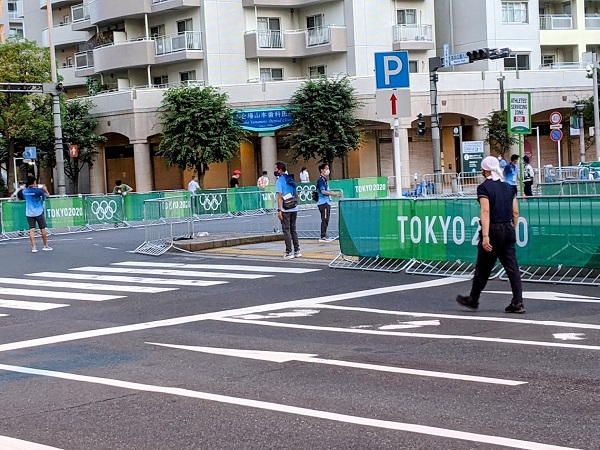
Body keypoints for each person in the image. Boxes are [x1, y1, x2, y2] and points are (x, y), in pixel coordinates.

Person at [456, 156, 525, 314]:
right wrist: (511, 227)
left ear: (485, 169)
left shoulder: (484, 188)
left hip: (493, 230)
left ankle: (473, 299)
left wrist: (486, 236)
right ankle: (518, 302)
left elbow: (485, 211)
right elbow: (515, 211)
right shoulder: (509, 187)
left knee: (483, 267)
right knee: (512, 268)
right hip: (508, 228)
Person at [274, 161, 300, 259]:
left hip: (285, 208)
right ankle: (297, 250)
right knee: (293, 229)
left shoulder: (279, 181)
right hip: (294, 207)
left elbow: (280, 196)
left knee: (286, 230)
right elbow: (296, 194)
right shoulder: (291, 178)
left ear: (280, 170)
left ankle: (289, 252)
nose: (275, 171)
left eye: (276, 169)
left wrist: (279, 210)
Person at [22, 176, 52, 253]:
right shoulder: (38, 191)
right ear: (34, 182)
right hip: (38, 212)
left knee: (31, 230)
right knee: (42, 228)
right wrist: (45, 190)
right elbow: (48, 196)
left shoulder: (25, 191)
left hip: (29, 213)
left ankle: (34, 247)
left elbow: (22, 194)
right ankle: (45, 245)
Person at [316, 163, 342, 242]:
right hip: (323, 202)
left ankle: (324, 235)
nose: (328, 170)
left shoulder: (324, 180)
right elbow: (323, 192)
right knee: (325, 219)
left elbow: (328, 190)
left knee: (326, 219)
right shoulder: (320, 180)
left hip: (326, 202)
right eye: (326, 168)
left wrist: (335, 194)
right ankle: (323, 236)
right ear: (322, 170)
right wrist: (333, 194)